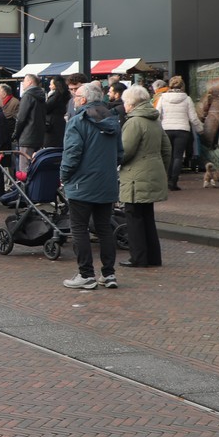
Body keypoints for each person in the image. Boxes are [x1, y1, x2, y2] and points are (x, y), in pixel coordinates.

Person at [61, 82, 122, 291]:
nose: (74, 99)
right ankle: (109, 273)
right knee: (104, 228)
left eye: (76, 96)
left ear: (84, 100)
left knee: (79, 228)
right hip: (106, 183)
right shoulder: (113, 120)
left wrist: (64, 176)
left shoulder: (77, 122)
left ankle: (86, 274)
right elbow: (120, 153)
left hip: (81, 184)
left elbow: (72, 154)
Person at [118, 84, 170, 268]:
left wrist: (115, 162)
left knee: (134, 217)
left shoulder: (134, 122)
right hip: (152, 172)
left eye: (125, 102)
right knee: (147, 216)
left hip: (135, 175)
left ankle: (138, 257)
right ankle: (153, 257)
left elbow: (125, 151)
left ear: (131, 103)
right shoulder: (154, 120)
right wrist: (161, 169)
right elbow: (166, 148)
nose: (124, 106)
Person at [155, 75, 203, 193]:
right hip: (182, 130)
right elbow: (193, 118)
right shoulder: (187, 99)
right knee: (178, 156)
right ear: (182, 86)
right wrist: (200, 129)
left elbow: (157, 114)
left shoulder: (162, 98)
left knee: (168, 156)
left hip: (166, 129)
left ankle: (166, 180)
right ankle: (173, 182)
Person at [43, 77, 71, 147]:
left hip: (52, 124)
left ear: (56, 85)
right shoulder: (64, 94)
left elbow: (46, 107)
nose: (49, 86)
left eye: (51, 84)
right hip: (59, 122)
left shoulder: (56, 96)